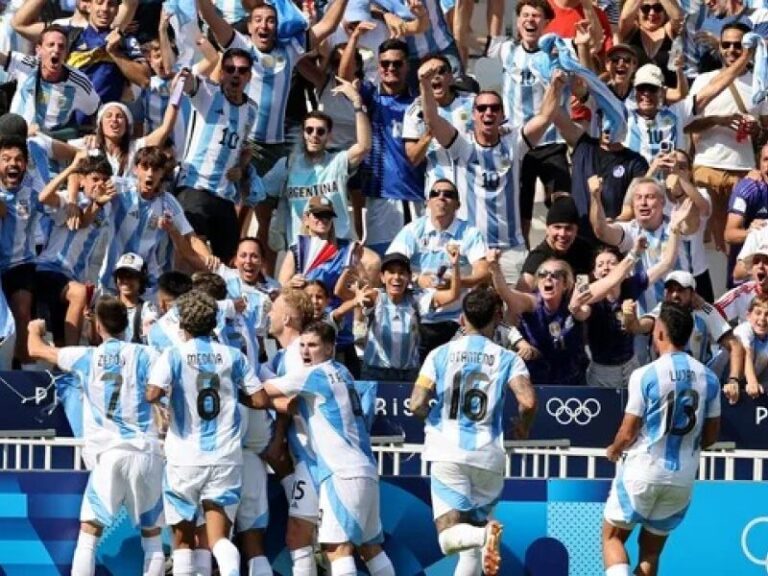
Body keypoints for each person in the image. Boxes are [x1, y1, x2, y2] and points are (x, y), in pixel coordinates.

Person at [26, 297, 165, 576]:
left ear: (98, 325)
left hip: (110, 454)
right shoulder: (147, 355)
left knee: (89, 535)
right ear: (126, 325)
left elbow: (34, 350)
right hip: (146, 451)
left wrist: (34, 328)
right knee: (153, 538)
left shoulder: (87, 356)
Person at [409, 287, 537, 576]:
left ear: (462, 317)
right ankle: (483, 535)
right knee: (471, 553)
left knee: (449, 538)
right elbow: (528, 402)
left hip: (448, 450)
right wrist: (523, 426)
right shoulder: (508, 358)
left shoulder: (439, 354)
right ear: (498, 316)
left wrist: (427, 417)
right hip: (489, 455)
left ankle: (484, 535)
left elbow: (416, 401)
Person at [146, 290, 269, 576]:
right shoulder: (233, 356)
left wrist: (167, 396)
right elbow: (260, 400)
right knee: (218, 539)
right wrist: (231, 395)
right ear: (214, 324)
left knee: (183, 540)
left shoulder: (173, 355)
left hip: (184, 457)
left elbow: (152, 393)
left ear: (182, 325)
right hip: (225, 456)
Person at [265, 321, 396, 576]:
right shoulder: (343, 372)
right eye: (302, 345)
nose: (305, 351)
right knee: (370, 548)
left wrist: (231, 386)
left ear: (329, 349)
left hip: (341, 472)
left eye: (312, 345)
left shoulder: (315, 374)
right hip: (363, 467)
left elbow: (263, 391)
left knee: (337, 549)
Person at [602, 302, 721, 576]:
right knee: (651, 551)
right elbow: (712, 435)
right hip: (683, 477)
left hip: (643, 468)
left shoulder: (645, 374)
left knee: (613, 537)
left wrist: (614, 449)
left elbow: (628, 430)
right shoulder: (709, 377)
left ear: (660, 334)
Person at [419, 61, 561, 284]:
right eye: (482, 108)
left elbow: (544, 118)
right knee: (473, 315)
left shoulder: (513, 143)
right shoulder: (462, 146)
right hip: (471, 250)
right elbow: (432, 120)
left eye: (494, 108)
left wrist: (556, 86)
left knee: (514, 316)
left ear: (502, 115)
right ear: (473, 114)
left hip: (511, 248)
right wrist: (425, 85)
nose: (488, 112)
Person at [487, 0, 571, 244]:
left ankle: (559, 254)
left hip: (551, 140)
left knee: (562, 202)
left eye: (536, 16)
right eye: (525, 15)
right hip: (518, 141)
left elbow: (579, 81)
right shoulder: (506, 50)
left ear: (546, 22)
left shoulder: (558, 51)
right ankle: (524, 259)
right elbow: (471, 44)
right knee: (520, 206)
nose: (530, 20)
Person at [339, 36, 425, 255]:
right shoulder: (371, 95)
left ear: (407, 66)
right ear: (378, 66)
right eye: (385, 63)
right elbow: (344, 76)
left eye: (397, 63)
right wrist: (355, 38)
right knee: (381, 263)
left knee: (413, 264)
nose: (390, 68)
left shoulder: (418, 102)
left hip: (414, 195)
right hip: (381, 195)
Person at [686, 23, 768, 252]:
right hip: (706, 169)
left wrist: (757, 132)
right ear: (719, 48)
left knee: (738, 242)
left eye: (738, 45)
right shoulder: (704, 81)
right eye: (726, 45)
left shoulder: (759, 82)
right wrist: (717, 120)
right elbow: (686, 125)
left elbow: (765, 132)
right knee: (710, 242)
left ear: (748, 48)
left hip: (743, 171)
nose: (731, 50)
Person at [263, 79, 371, 251]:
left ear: (329, 136)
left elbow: (364, 146)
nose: (315, 135)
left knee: (373, 262)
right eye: (309, 130)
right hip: (301, 248)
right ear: (303, 133)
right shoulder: (288, 164)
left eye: (321, 131)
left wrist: (357, 104)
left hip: (337, 246)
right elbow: (261, 193)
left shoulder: (337, 162)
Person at [387, 178, 489, 358]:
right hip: (419, 316)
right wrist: (418, 278)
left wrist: (456, 282)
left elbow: (483, 272)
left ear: (457, 204)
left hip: (458, 319)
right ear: (428, 201)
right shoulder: (413, 230)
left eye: (448, 195)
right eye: (435, 193)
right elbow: (389, 266)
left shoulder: (469, 233)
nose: (441, 198)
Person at [176, 47, 260, 262]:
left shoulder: (251, 109)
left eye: (242, 71)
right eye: (230, 69)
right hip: (195, 186)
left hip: (223, 194)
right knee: (193, 251)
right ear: (221, 72)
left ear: (249, 76)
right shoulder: (208, 93)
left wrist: (241, 168)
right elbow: (187, 84)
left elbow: (245, 147)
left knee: (229, 258)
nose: (235, 74)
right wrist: (186, 69)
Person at [624, 270, 745, 404]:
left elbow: (735, 345)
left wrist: (733, 380)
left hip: (699, 381)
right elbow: (638, 327)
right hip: (663, 379)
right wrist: (630, 318)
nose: (675, 295)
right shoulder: (662, 310)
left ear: (692, 294)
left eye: (681, 290)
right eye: (670, 290)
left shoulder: (706, 311)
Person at [338, 250, 461, 381]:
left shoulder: (417, 298)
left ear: (409, 277)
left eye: (401, 272)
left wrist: (455, 266)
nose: (396, 277)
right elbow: (340, 291)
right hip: (375, 372)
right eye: (391, 272)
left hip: (408, 374)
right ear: (382, 277)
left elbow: (453, 295)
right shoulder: (376, 297)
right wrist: (348, 269)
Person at [35, 151, 115, 346]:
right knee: (79, 293)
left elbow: (85, 222)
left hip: (70, 279)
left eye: (104, 180)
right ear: (81, 181)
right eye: (94, 178)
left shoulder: (104, 209)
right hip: (48, 269)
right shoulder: (69, 200)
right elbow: (44, 197)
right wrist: (72, 169)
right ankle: (74, 356)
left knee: (61, 342)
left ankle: (65, 367)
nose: (99, 184)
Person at [489, 252, 591, 386]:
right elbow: (506, 294)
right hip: (537, 381)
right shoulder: (531, 302)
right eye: (543, 274)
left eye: (555, 275)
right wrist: (495, 269)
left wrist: (574, 309)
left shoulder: (574, 303)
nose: (548, 278)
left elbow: (584, 313)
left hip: (572, 382)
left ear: (565, 284)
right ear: (538, 282)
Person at [0, 24, 100, 132]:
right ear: (39, 50)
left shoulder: (79, 82)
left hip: (51, 142)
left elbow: (98, 111)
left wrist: (95, 136)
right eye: (51, 45)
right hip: (15, 136)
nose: (56, 50)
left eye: (61, 46)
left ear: (66, 53)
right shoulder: (27, 65)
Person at [0, 135, 45, 366]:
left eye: (18, 159)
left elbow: (55, 203)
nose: (12, 163)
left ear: (25, 165)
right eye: (5, 159)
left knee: (22, 312)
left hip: (20, 265)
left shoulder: (32, 192)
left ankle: (22, 372)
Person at [402, 53, 474, 193]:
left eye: (441, 71)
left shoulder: (473, 103)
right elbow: (412, 158)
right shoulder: (414, 112)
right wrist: (430, 132)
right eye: (427, 75)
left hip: (471, 188)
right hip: (438, 192)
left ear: (451, 77)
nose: (435, 77)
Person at [518, 195, 595, 291]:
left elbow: (591, 285)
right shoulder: (537, 258)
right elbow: (521, 294)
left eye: (568, 228)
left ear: (576, 230)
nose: (562, 234)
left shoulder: (585, 250)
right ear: (547, 229)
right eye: (557, 227)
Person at [724, 144, 768, 286]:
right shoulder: (748, 189)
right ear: (759, 164)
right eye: (766, 160)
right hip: (746, 279)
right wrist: (753, 233)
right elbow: (729, 234)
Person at [617, 0, 684, 88]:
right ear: (637, 12)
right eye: (645, 8)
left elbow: (677, 18)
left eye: (658, 8)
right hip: (635, 97)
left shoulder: (670, 31)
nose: (652, 13)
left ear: (664, 11)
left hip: (669, 95)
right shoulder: (630, 31)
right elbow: (625, 18)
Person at [734, 294, 768, 399]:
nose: (762, 318)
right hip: (720, 379)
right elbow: (747, 353)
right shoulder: (743, 329)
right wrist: (752, 382)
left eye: (767, 314)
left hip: (744, 385)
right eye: (758, 313)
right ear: (748, 316)